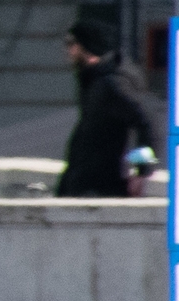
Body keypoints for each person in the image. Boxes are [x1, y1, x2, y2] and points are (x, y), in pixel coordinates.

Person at [57, 20, 164, 198]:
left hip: (103, 188)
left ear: (86, 46)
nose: (67, 50)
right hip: (84, 185)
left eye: (71, 43)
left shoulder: (113, 83)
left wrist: (142, 170)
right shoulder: (93, 79)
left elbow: (148, 122)